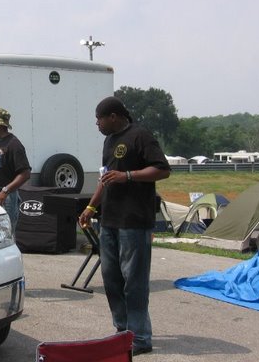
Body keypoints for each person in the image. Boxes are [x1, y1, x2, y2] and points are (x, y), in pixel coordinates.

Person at [78, 96, 170, 356]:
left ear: (114, 116)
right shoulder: (109, 141)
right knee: (112, 280)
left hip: (134, 222)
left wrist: (128, 176)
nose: (97, 124)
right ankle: (122, 332)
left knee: (134, 282)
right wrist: (91, 207)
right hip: (109, 221)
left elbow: (162, 170)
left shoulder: (140, 136)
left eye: (99, 119)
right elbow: (106, 177)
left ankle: (140, 338)